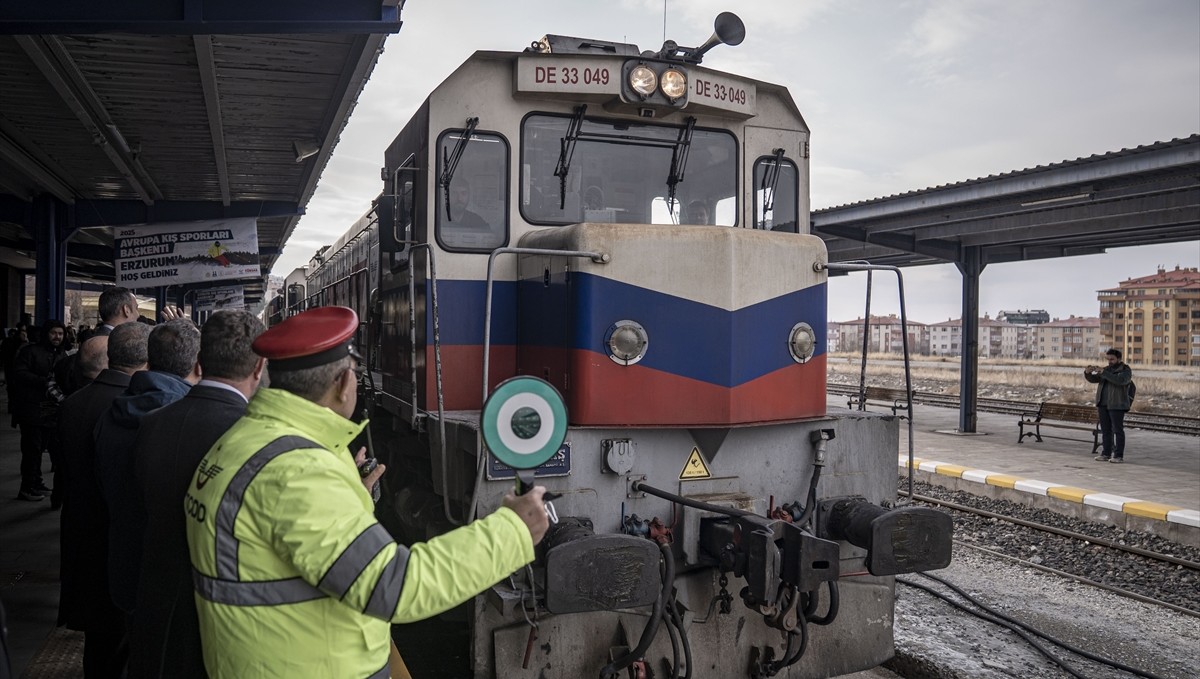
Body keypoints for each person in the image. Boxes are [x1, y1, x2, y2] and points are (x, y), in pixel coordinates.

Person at [185, 306, 548, 678]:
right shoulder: (297, 473)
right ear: (344, 383)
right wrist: (512, 531)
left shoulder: (248, 441)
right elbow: (395, 585)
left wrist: (351, 494)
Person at [127, 310, 266, 679]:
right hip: (225, 618)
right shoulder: (261, 438)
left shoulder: (152, 424)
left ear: (200, 364)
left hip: (156, 600)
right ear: (259, 368)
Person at [58, 322, 151, 678]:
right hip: (118, 545)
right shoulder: (132, 408)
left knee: (99, 648)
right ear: (147, 359)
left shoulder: (74, 403)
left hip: (81, 537)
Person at [95, 319, 201, 615]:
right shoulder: (185, 418)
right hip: (171, 575)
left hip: (122, 560)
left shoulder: (111, 412)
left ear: (149, 358)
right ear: (197, 364)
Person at [11, 319, 67, 500]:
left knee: (43, 448)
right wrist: (43, 382)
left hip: (50, 409)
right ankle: (27, 487)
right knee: (32, 450)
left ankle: (36, 483)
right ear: (46, 334)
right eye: (53, 333)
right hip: (31, 408)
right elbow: (18, 373)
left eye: (60, 333)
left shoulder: (62, 354)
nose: (57, 337)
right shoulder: (30, 351)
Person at [1084, 348, 1133, 463]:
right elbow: (1094, 379)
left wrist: (1104, 373)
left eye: (1112, 359)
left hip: (1117, 404)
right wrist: (1087, 373)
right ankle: (1106, 453)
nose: (1110, 361)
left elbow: (1120, 381)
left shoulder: (1125, 370)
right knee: (1106, 430)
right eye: (1108, 359)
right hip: (1103, 404)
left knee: (1118, 430)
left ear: (1119, 359)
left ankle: (1118, 455)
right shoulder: (1106, 370)